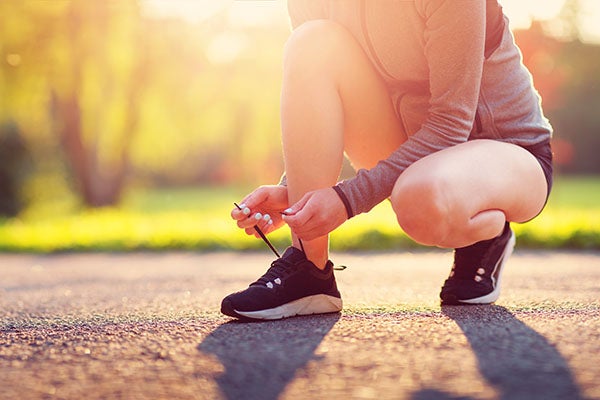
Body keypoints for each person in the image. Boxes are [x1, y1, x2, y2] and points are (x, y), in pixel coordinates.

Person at [221, 0, 553, 321]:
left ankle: (487, 231)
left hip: (509, 152)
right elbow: (325, 104)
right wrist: (294, 192)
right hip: (414, 150)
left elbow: (451, 123)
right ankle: (309, 271)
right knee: (311, 41)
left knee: (420, 198)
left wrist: (347, 200)